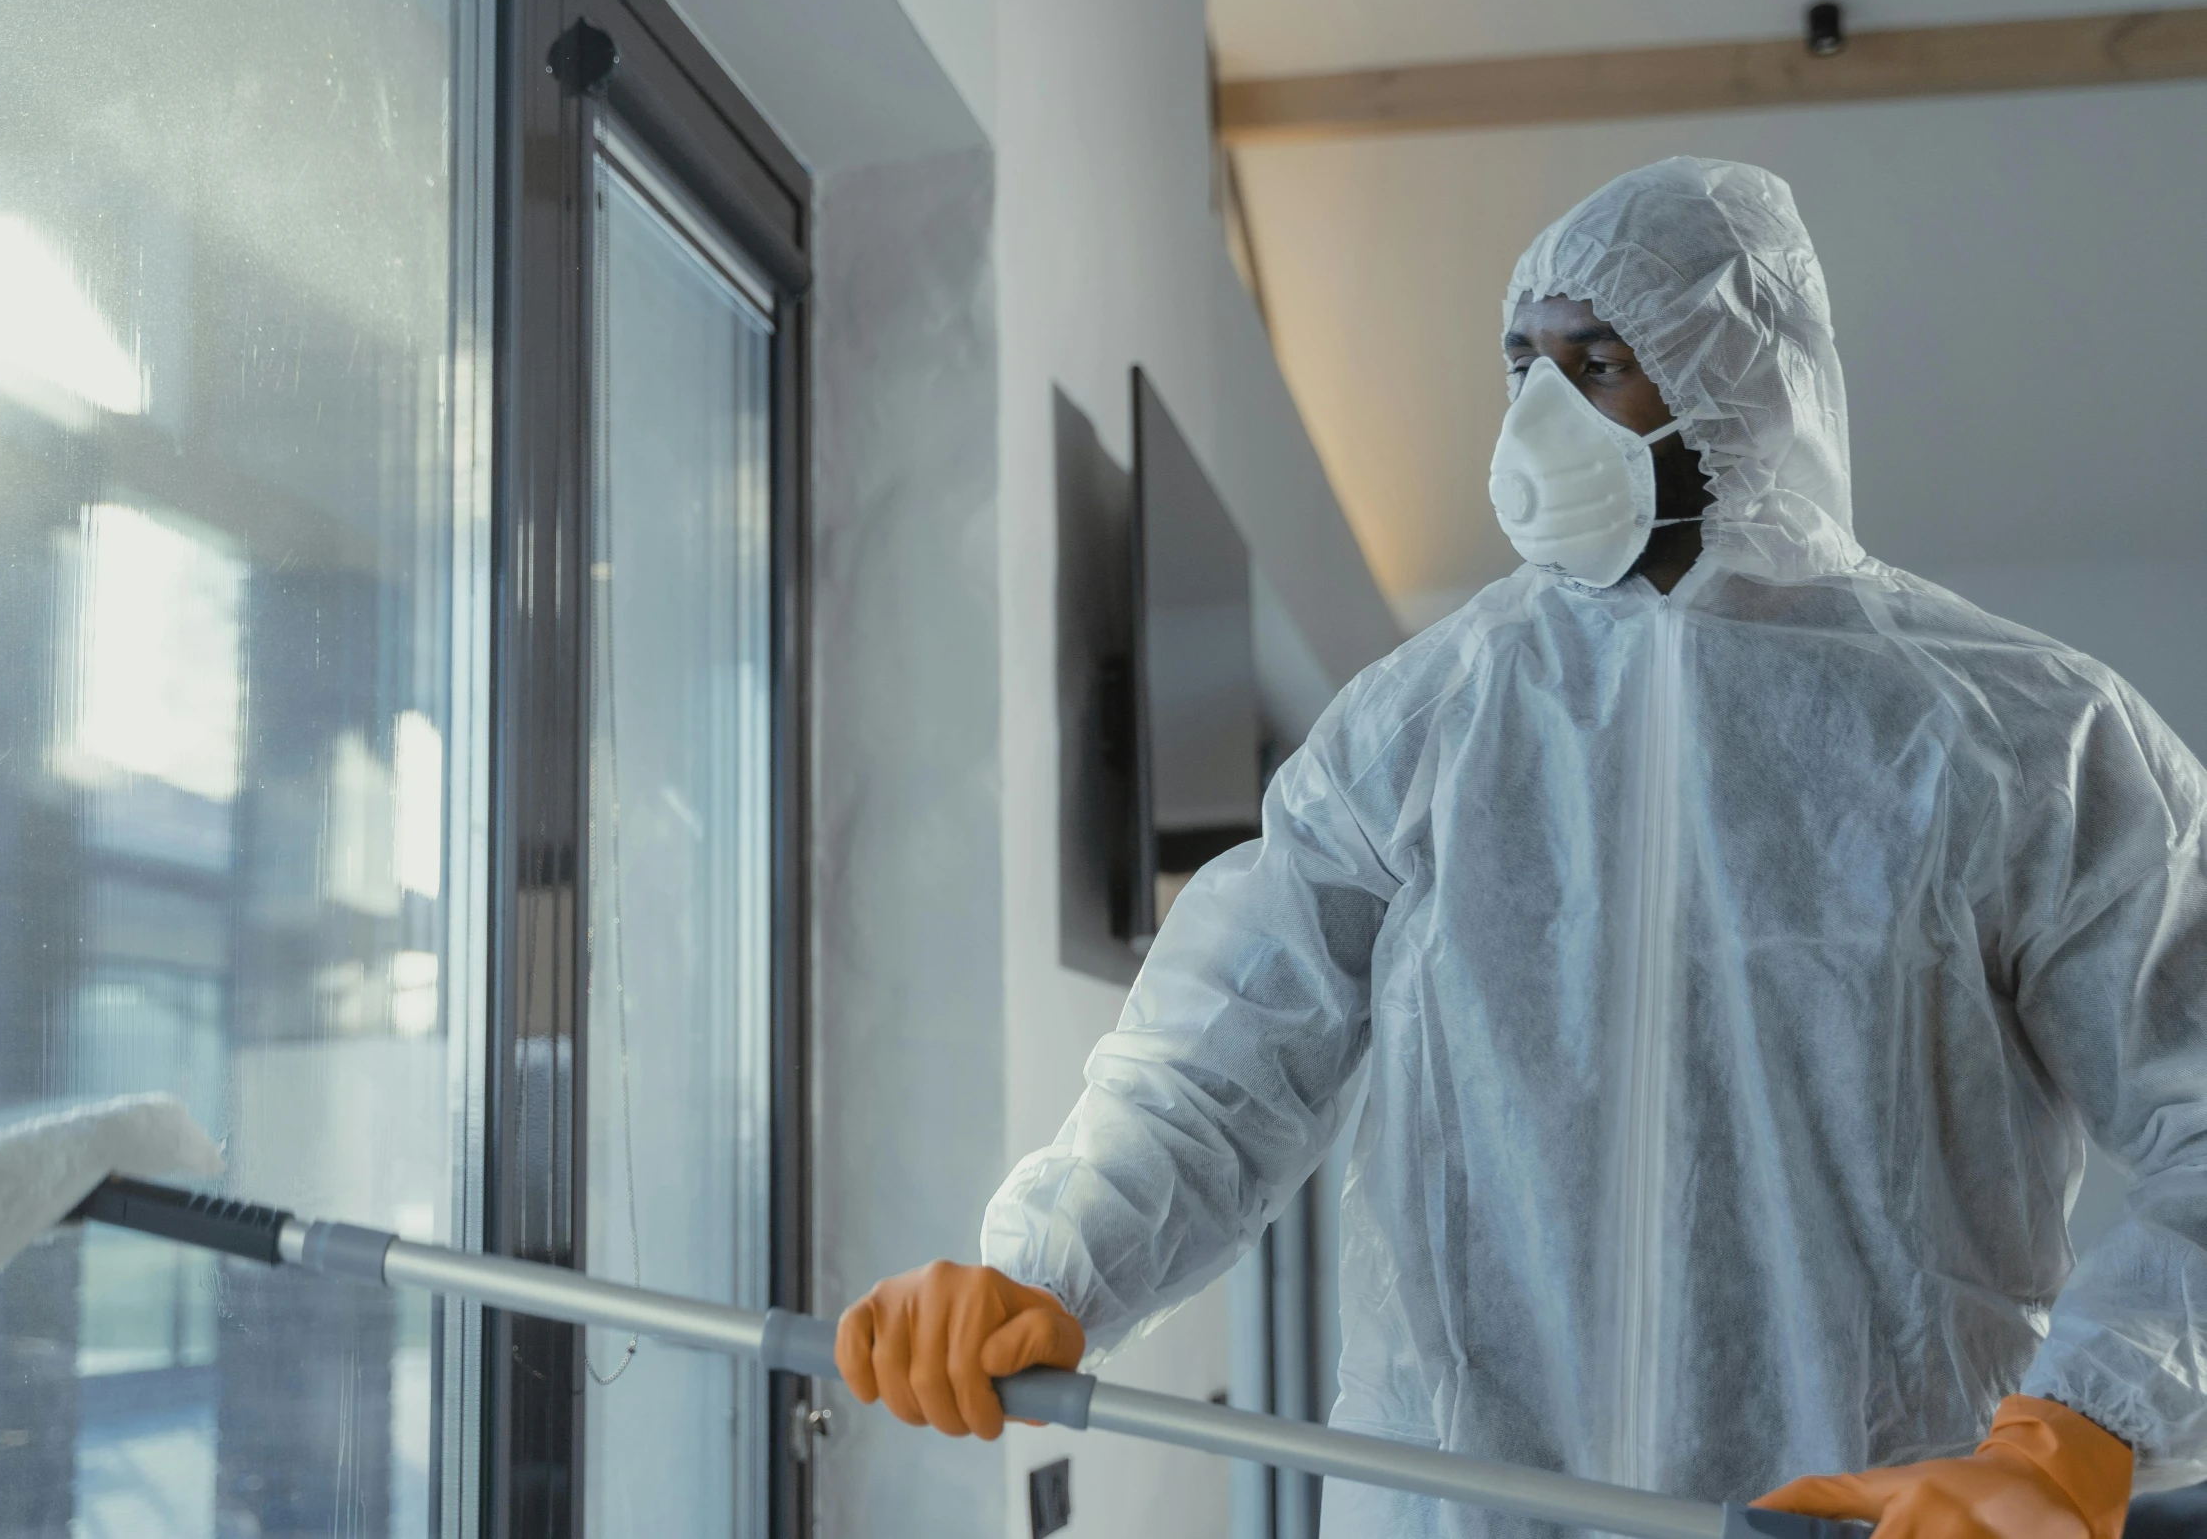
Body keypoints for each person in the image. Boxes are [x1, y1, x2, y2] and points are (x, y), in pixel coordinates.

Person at [836, 157, 2207, 1538]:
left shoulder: (2022, 739)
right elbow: (1219, 1055)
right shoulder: (1422, 726)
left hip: (1855, 1517)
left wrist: (2077, 1432)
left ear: (1738, 379)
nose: (1541, 411)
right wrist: (1051, 1267)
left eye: (1598, 361)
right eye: (1520, 364)